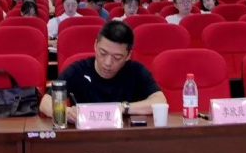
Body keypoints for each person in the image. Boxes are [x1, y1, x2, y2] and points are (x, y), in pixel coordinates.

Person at [39, 21, 167, 123]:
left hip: (125, 137)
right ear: (95, 45)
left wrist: (123, 108)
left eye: (117, 57)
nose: (108, 62)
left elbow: (160, 101)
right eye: (103, 53)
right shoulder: (78, 69)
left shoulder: (136, 70)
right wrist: (65, 112)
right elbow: (45, 103)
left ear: (128, 55)